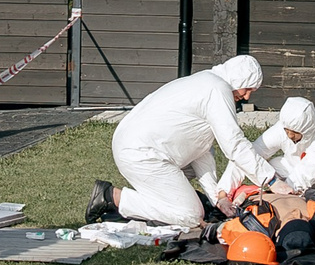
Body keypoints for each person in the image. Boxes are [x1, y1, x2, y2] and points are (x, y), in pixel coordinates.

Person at [104, 55, 279, 228]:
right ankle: (112, 198)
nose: (247, 97)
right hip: (141, 153)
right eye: (247, 89)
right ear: (237, 79)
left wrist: (216, 199)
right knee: (191, 215)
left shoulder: (206, 82)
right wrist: (271, 180)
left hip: (136, 146)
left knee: (195, 204)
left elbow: (200, 151)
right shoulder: (217, 90)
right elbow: (234, 144)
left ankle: (159, 199)